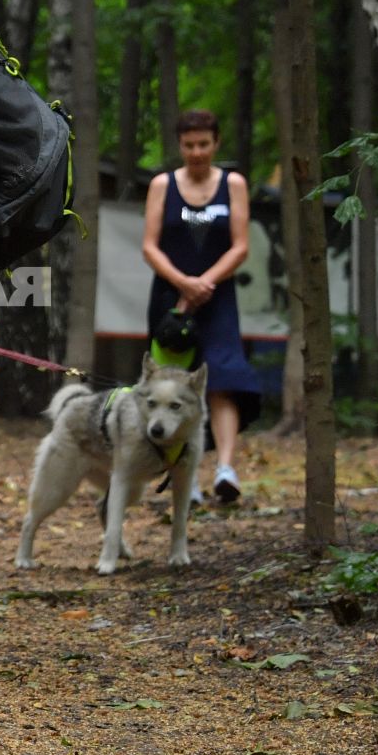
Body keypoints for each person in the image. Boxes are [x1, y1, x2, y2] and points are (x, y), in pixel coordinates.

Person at [142, 109, 262, 504]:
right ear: (180, 145)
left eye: (203, 144)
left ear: (216, 143)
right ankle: (183, 476)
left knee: (224, 379)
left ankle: (225, 469)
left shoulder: (234, 184)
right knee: (173, 385)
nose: (196, 152)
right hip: (171, 297)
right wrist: (183, 284)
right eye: (189, 145)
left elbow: (241, 245)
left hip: (218, 295)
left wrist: (205, 283)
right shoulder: (163, 184)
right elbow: (150, 245)